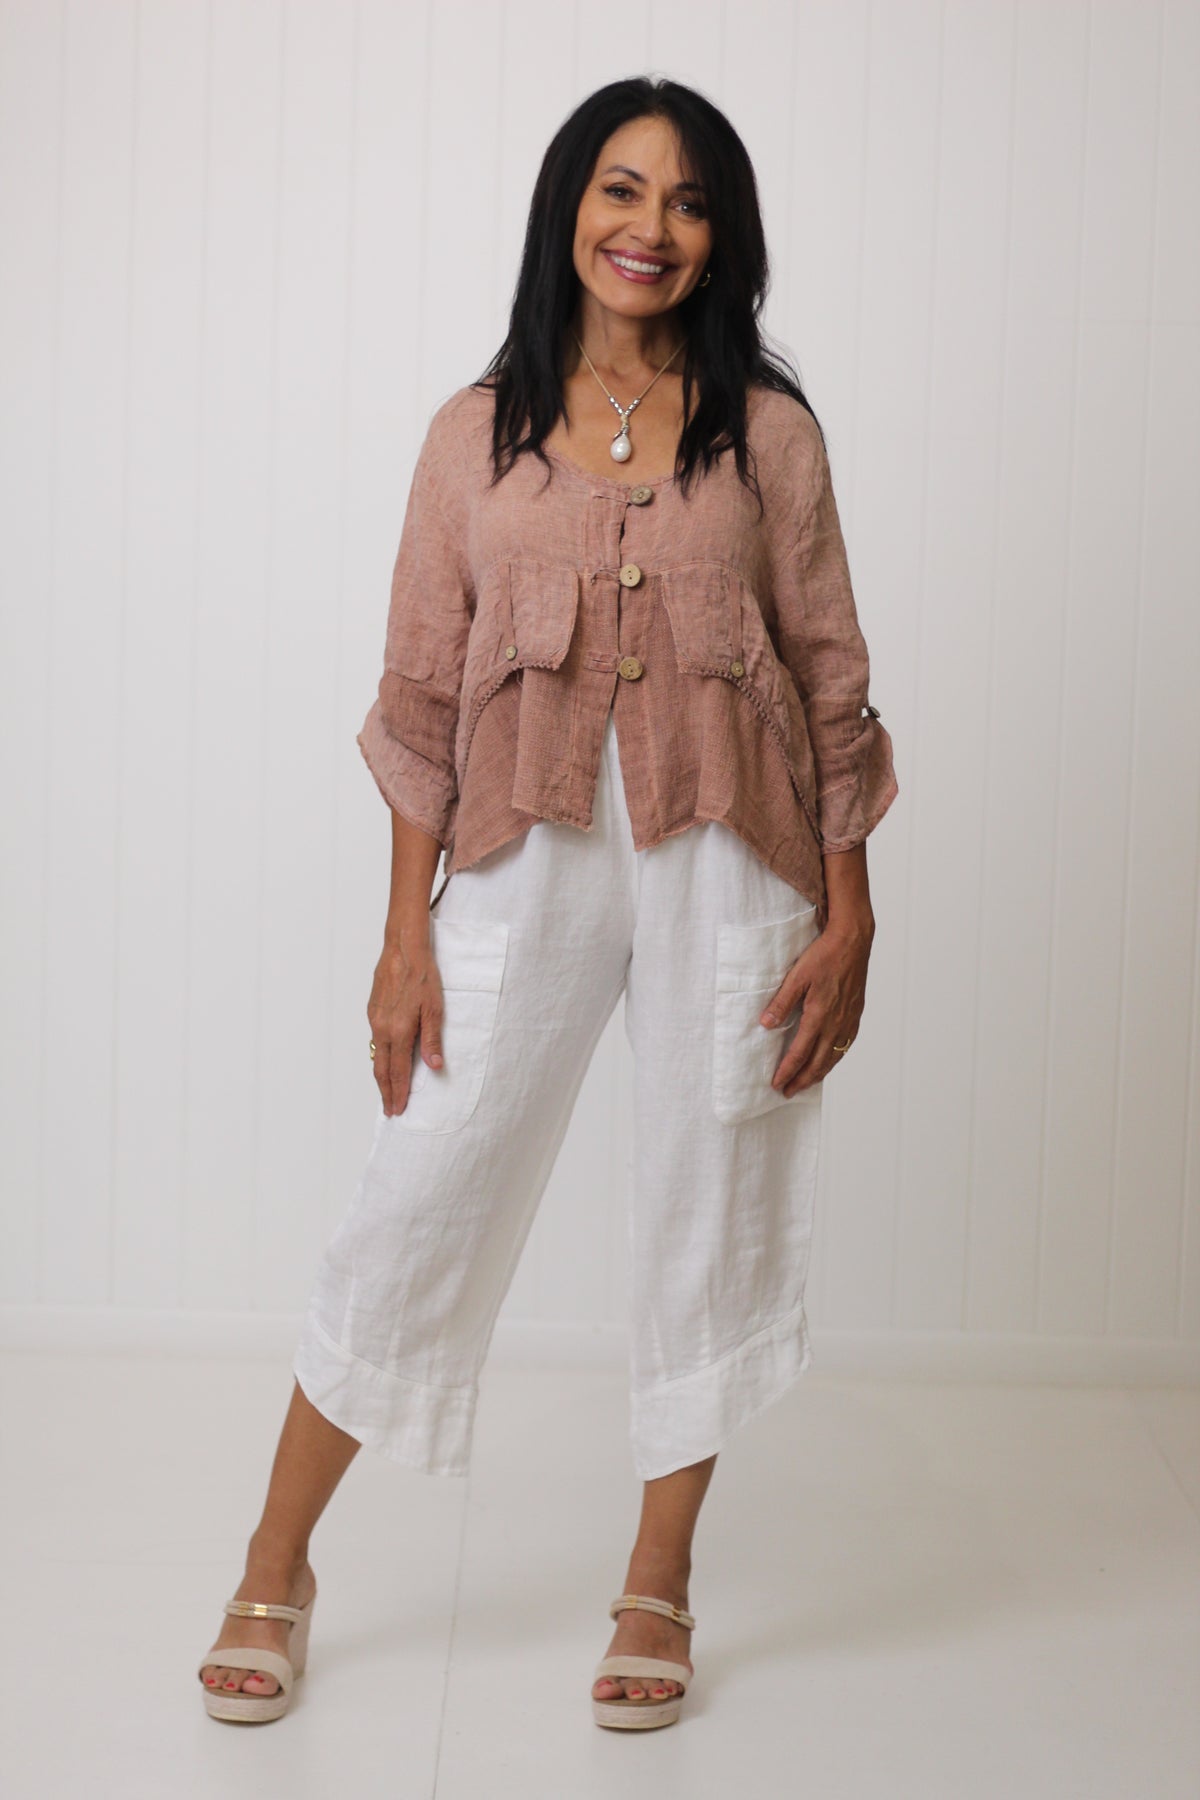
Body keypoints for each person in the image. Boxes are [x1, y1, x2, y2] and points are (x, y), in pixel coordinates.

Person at [197, 75, 898, 1732]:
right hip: (525, 848)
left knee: (710, 1201)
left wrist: (850, 909)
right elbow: (420, 690)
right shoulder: (477, 433)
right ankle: (277, 1561)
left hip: (738, 857)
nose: (651, 227)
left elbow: (831, 676)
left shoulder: (770, 436)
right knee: (424, 1188)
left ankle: (657, 1580)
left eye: (689, 201)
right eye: (621, 190)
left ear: (723, 237)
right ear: (569, 209)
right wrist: (404, 936)